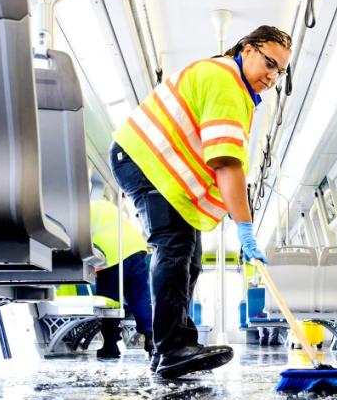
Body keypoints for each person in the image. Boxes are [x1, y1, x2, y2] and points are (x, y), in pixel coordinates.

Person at [111, 25, 291, 378]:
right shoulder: (227, 82)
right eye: (270, 63)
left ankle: (169, 349)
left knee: (190, 262)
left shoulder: (229, 83)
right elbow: (225, 162)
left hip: (160, 169)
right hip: (146, 160)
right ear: (248, 49)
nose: (272, 76)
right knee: (174, 248)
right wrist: (244, 227)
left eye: (279, 71)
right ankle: (172, 347)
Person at [90, 198, 153, 360]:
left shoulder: (80, 213)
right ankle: (151, 339)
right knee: (140, 297)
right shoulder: (105, 204)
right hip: (137, 248)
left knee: (110, 300)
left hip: (112, 253)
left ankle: (110, 345)